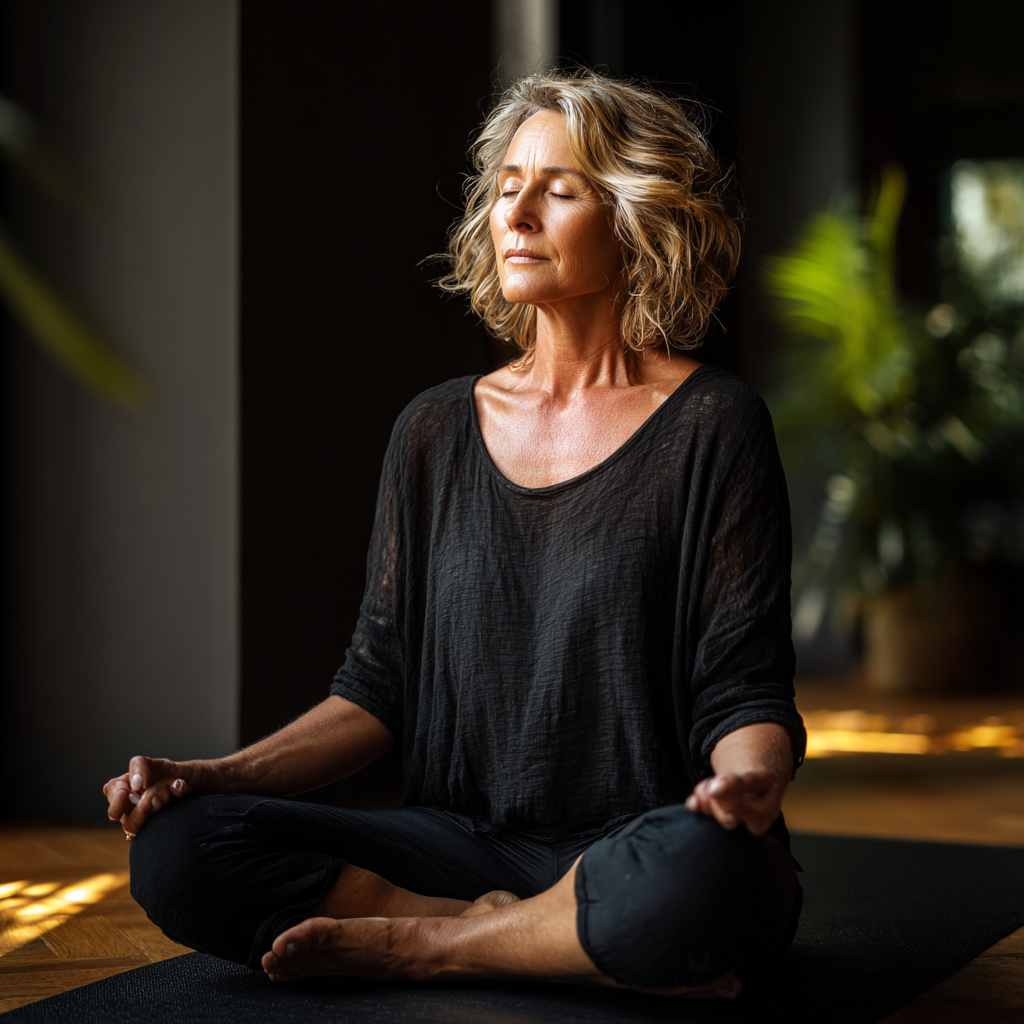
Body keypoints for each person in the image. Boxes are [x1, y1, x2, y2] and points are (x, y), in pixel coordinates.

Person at [104, 71, 806, 999]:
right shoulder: (432, 431)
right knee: (181, 847)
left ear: (637, 222)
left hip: (641, 835)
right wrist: (214, 775)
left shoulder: (715, 423)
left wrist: (745, 788)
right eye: (507, 187)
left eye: (559, 191)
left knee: (712, 870)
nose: (516, 214)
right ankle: (547, 942)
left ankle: (427, 948)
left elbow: (742, 686)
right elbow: (374, 689)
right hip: (458, 841)